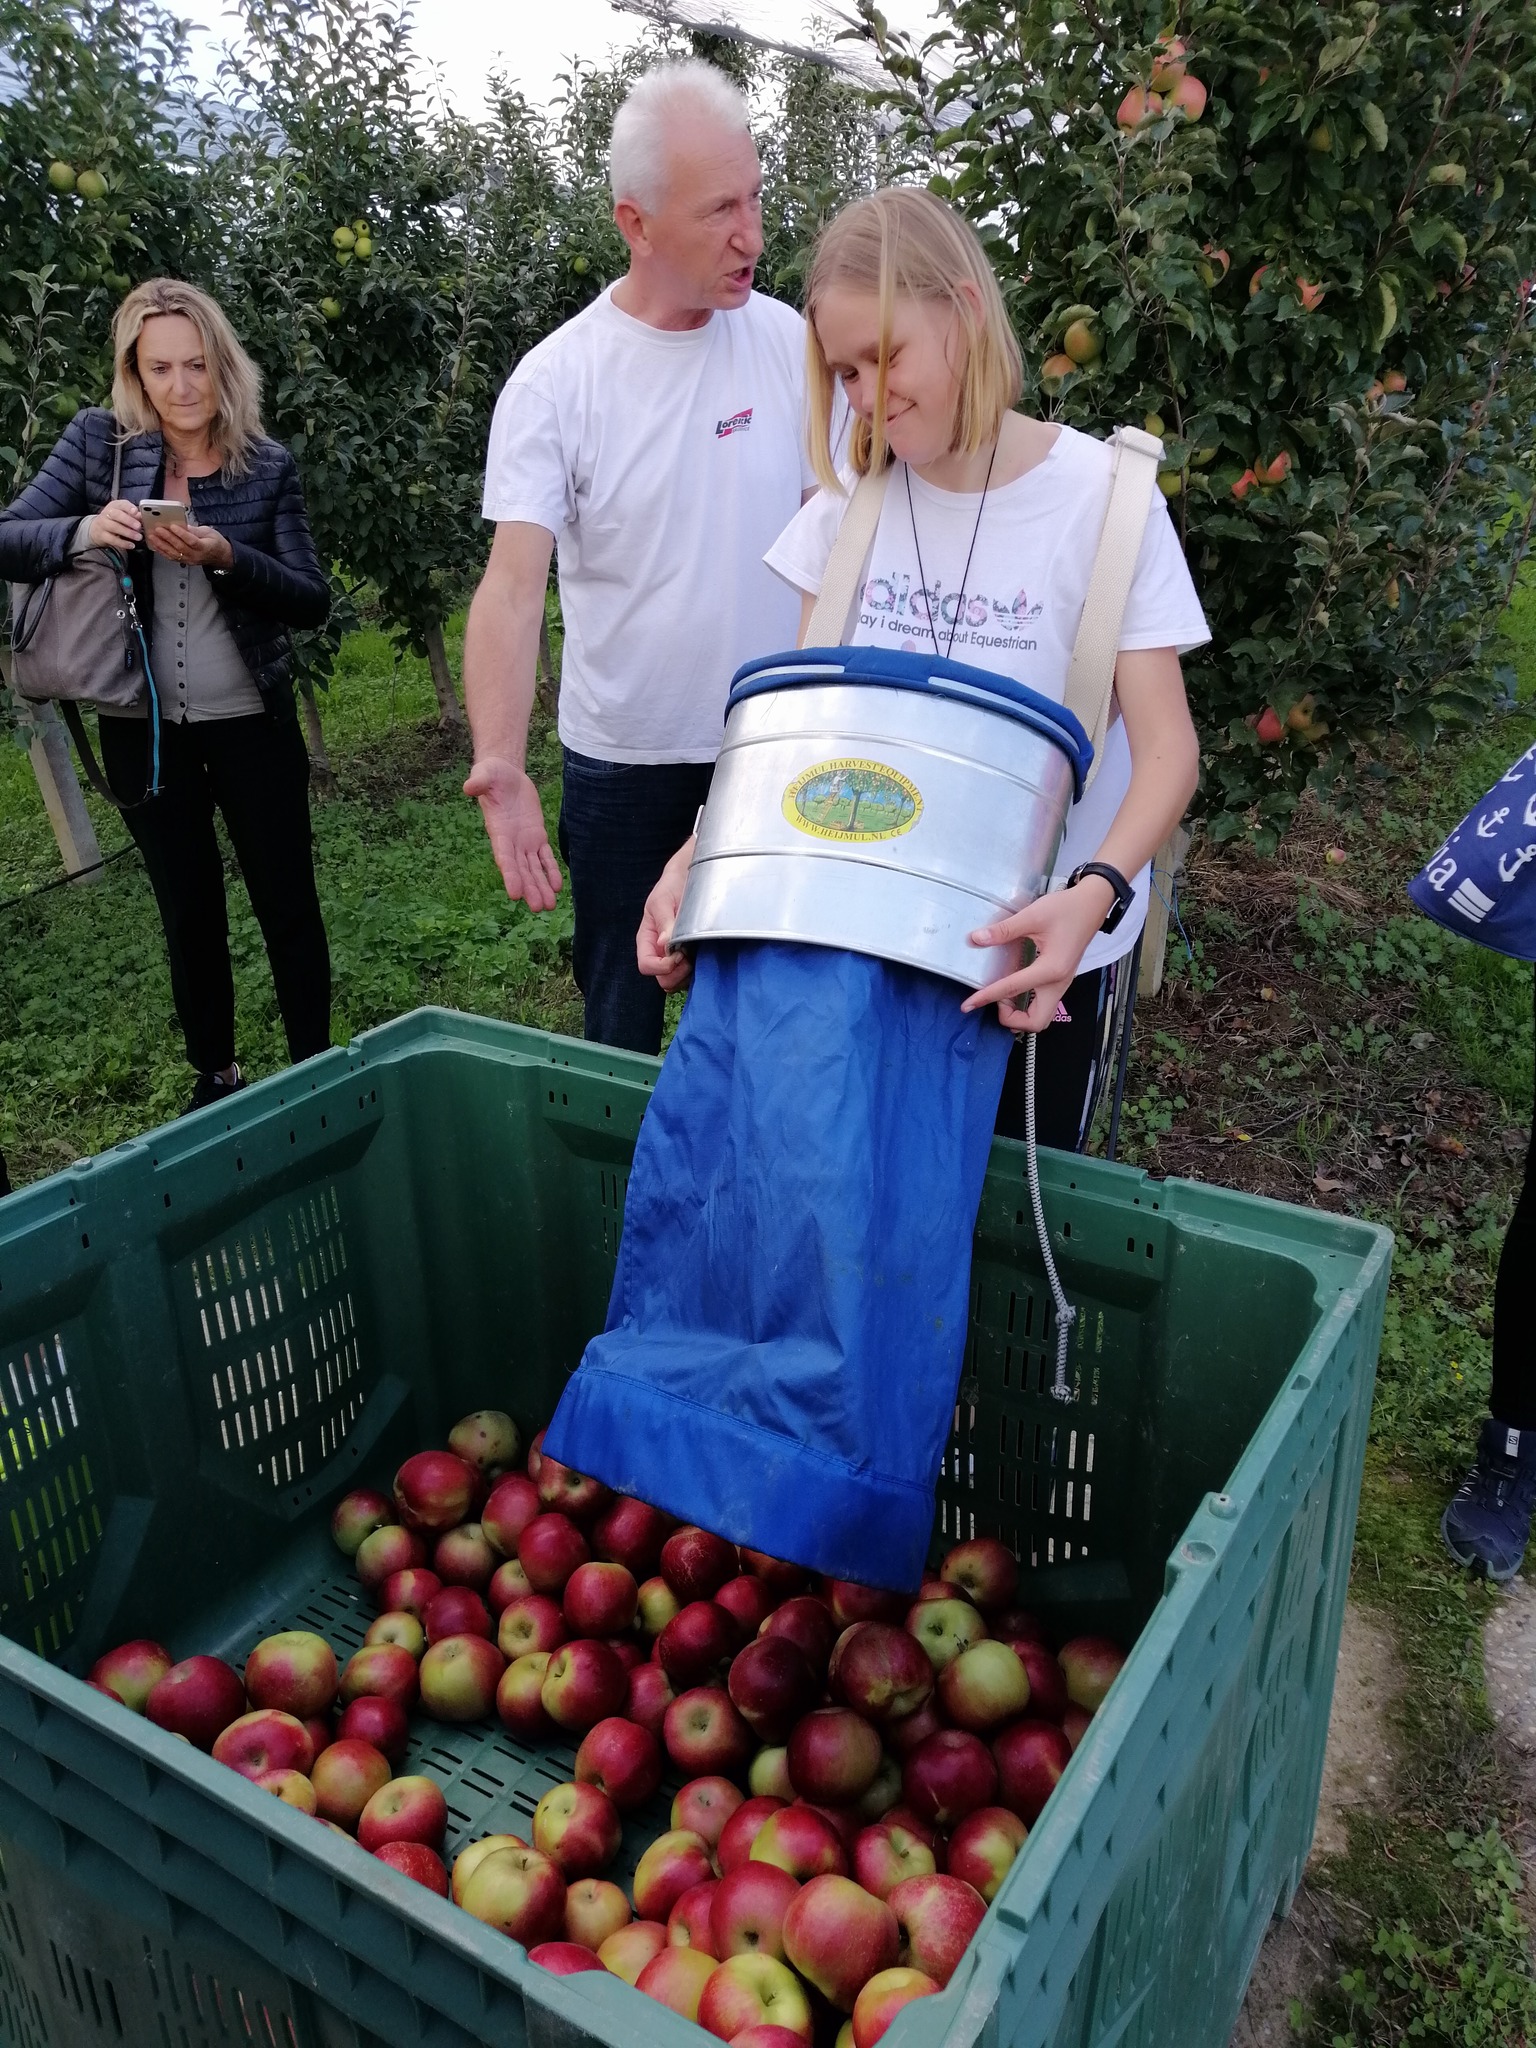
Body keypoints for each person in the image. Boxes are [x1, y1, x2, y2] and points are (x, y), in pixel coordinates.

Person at [638, 187, 1209, 1141]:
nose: (868, 394)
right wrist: (701, 860)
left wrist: (1092, 897)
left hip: (1038, 958)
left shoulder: (1107, 505)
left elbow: (1169, 753)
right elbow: (792, 734)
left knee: (1017, 1228)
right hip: (867, 941)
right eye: (847, 372)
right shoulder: (849, 514)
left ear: (967, 308)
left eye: (887, 355)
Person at [463, 58, 821, 1055]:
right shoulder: (558, 382)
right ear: (636, 222)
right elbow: (510, 586)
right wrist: (499, 755)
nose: (751, 234)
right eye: (718, 210)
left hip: (762, 749)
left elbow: (830, 548)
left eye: (755, 196)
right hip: (623, 759)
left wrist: (805, 721)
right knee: (621, 1009)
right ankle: (620, 1192)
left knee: (764, 1004)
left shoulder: (788, 345)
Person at [0, 278, 332, 1114]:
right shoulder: (98, 446)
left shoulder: (266, 466)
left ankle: (315, 1066)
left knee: (287, 899)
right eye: (160, 368)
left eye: (197, 365)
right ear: (134, 372)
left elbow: (309, 596)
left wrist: (226, 556)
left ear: (223, 366)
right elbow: (8, 536)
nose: (181, 388)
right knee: (188, 909)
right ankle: (215, 1076)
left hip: (253, 723)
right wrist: (85, 529)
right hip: (143, 730)